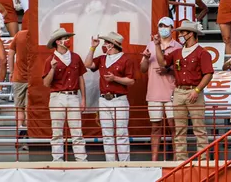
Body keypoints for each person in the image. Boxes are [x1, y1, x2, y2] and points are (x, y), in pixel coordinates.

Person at [153, 20, 213, 162]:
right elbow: (162, 62)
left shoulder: (202, 53)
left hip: (193, 90)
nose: (180, 34)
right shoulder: (177, 52)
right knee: (180, 129)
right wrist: (157, 45)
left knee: (199, 128)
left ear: (190, 34)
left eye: (183, 32)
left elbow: (209, 74)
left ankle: (203, 160)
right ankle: (181, 160)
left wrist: (197, 90)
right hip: (180, 91)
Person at [85, 32, 135, 162]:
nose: (104, 44)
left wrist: (115, 79)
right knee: (107, 134)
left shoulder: (126, 59)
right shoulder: (102, 58)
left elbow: (131, 81)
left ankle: (124, 164)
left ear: (112, 44)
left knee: (121, 133)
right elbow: (88, 64)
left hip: (119, 99)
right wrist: (92, 47)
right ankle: (111, 164)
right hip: (104, 100)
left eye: (106, 42)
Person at [42, 27, 88, 163]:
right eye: (64, 38)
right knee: (57, 131)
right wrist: (53, 69)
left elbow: (80, 78)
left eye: (67, 38)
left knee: (77, 131)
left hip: (73, 96)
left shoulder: (75, 57)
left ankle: (81, 160)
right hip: (57, 96)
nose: (67, 40)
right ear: (58, 42)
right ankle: (57, 160)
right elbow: (46, 83)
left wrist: (83, 99)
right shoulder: (50, 60)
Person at [142, 17, 180, 161]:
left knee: (174, 127)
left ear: (172, 28)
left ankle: (177, 158)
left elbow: (182, 70)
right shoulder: (150, 45)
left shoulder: (178, 47)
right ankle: (154, 159)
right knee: (155, 127)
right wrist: (145, 59)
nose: (163, 28)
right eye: (161, 25)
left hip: (172, 92)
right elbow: (143, 69)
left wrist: (168, 71)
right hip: (154, 93)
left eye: (166, 26)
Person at [7, 23, 31, 136]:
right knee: (28, 108)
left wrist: (11, 72)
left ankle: (19, 129)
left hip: (18, 77)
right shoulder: (38, 36)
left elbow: (10, 54)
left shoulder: (19, 35)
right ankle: (27, 132)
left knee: (19, 108)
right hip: (33, 78)